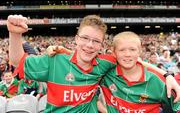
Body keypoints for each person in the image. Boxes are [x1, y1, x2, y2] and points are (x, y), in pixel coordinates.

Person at [7, 15, 180, 113]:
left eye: (95, 41)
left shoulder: (104, 63)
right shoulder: (54, 61)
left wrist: (168, 75)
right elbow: (17, 61)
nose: (89, 45)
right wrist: (15, 35)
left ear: (102, 46)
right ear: (76, 39)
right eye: (85, 39)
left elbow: (132, 58)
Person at [100, 31, 180, 112]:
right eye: (122, 50)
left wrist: (168, 75)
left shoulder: (158, 81)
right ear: (114, 52)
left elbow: (177, 106)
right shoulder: (105, 73)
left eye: (132, 49)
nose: (127, 54)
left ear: (139, 51)